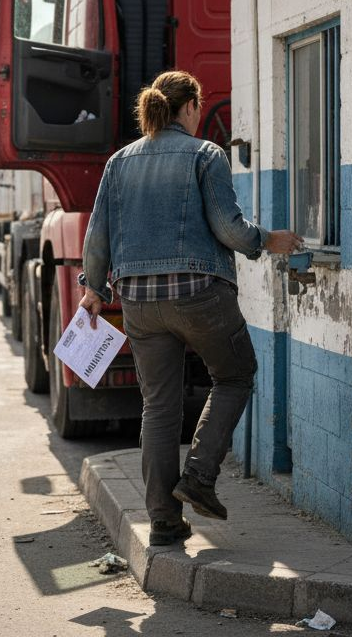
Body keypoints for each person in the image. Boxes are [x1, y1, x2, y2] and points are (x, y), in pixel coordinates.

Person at [78, 70, 302, 546]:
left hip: (139, 302)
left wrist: (94, 288)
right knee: (235, 374)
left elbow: (97, 234)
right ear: (192, 107)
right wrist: (269, 240)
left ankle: (163, 521)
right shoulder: (206, 154)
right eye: (198, 107)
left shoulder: (119, 162)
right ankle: (199, 476)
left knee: (158, 406)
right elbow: (228, 227)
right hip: (198, 294)